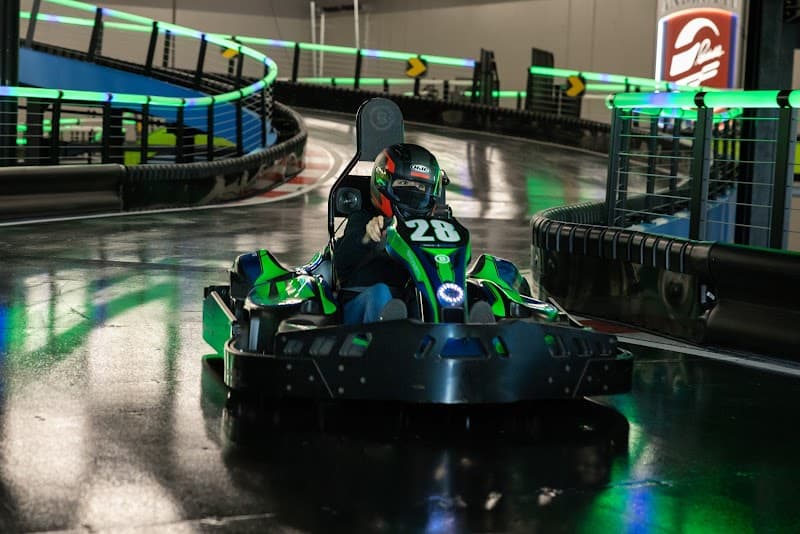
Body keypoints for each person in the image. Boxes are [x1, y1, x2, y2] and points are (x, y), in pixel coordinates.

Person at [334, 143, 444, 324]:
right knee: (381, 293)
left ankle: (470, 325)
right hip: (360, 308)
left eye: (420, 187)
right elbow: (341, 263)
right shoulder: (363, 218)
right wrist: (367, 238)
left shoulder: (433, 229)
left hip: (410, 307)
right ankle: (388, 334)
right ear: (383, 184)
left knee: (431, 295)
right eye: (404, 183)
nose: (413, 191)